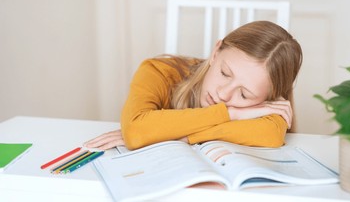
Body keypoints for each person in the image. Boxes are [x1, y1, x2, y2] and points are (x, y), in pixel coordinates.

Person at [85, 21, 303, 150]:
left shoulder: (273, 108)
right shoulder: (158, 71)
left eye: (244, 95)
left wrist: (174, 136)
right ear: (216, 52)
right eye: (225, 73)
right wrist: (231, 114)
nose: (223, 94)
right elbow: (135, 131)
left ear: (269, 99)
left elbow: (270, 135)